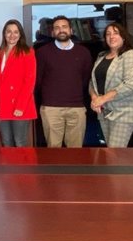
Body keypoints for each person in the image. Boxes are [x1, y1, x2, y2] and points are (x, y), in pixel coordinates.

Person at [36, 15, 93, 147]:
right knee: (53, 150)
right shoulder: (42, 53)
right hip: (51, 108)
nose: (61, 30)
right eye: (57, 28)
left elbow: (86, 78)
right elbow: (38, 80)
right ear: (52, 32)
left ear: (71, 30)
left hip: (77, 108)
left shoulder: (83, 52)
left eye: (64, 27)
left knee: (75, 151)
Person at [89, 22, 133, 147]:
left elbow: (129, 85)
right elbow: (92, 82)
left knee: (114, 152)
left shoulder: (131, 55)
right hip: (104, 112)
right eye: (108, 34)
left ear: (123, 36)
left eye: (115, 33)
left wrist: (102, 99)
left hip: (124, 112)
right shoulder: (101, 56)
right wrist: (94, 98)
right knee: (113, 152)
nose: (111, 36)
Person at [0, 19, 37, 147]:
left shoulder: (27, 52)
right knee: (6, 142)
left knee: (20, 142)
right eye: (9, 32)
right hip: (1, 104)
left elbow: (29, 81)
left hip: (20, 105)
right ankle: (8, 168)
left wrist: (20, 106)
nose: (12, 35)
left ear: (20, 34)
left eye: (16, 32)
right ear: (4, 34)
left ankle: (22, 168)